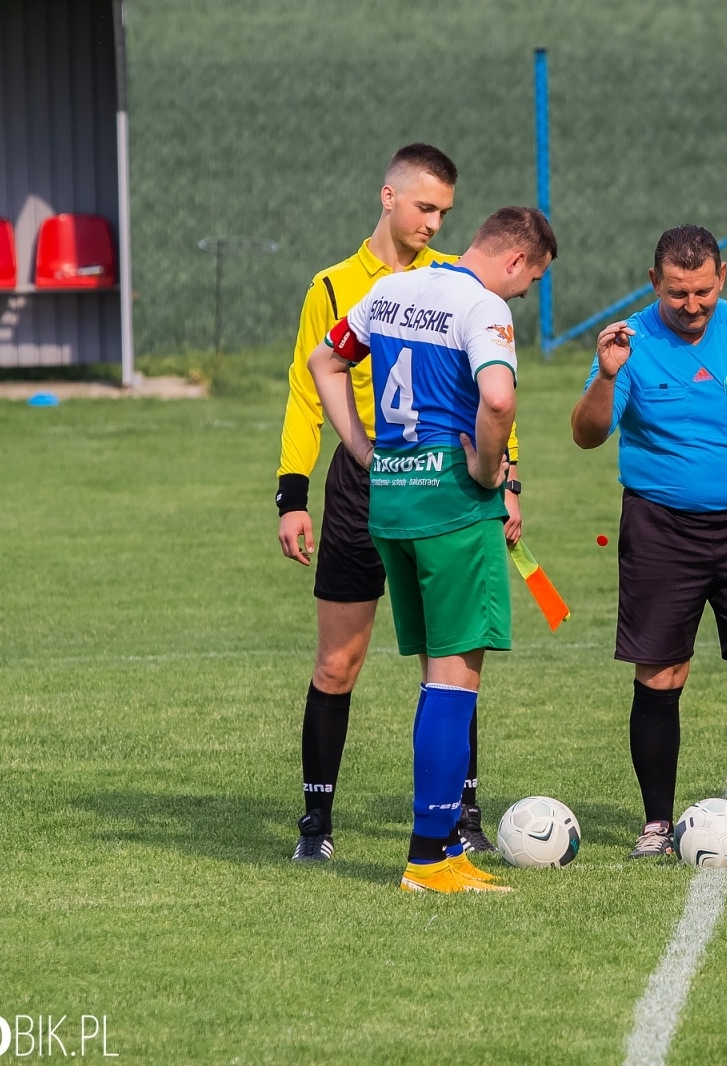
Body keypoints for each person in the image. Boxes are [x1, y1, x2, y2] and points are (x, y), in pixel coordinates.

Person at [275, 144, 521, 862]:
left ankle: (460, 818)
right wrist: (294, 495)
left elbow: (493, 394)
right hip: (364, 485)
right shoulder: (336, 285)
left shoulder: (459, 282)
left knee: (448, 662)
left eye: (445, 211)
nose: (435, 224)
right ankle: (316, 827)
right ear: (388, 198)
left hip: (446, 480)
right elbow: (306, 387)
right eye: (424, 208)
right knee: (338, 665)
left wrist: (508, 481)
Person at [307, 205, 556, 893]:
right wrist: (488, 473)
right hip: (451, 505)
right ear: (514, 260)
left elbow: (323, 358)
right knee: (453, 682)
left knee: (435, 675)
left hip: (390, 499)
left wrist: (359, 445)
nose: (521, 296)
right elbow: (498, 400)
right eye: (528, 282)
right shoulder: (481, 309)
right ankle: (428, 858)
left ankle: (443, 849)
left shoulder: (388, 290)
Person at [570, 224, 727, 858]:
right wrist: (604, 377)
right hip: (660, 528)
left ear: (722, 277)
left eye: (702, 292)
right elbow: (587, 434)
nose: (691, 305)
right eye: (677, 293)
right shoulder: (628, 342)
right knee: (662, 675)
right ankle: (656, 824)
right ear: (654, 282)